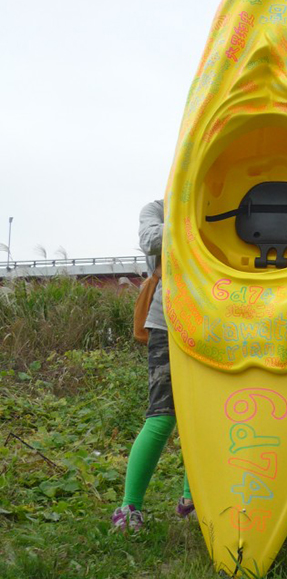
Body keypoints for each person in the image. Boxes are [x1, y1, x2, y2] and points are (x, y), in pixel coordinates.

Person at [111, 199, 194, 532]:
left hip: (214, 323)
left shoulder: (216, 196)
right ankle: (129, 508)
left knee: (200, 417)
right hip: (167, 323)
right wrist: (199, 224)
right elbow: (151, 239)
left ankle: (191, 501)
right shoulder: (157, 209)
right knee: (161, 416)